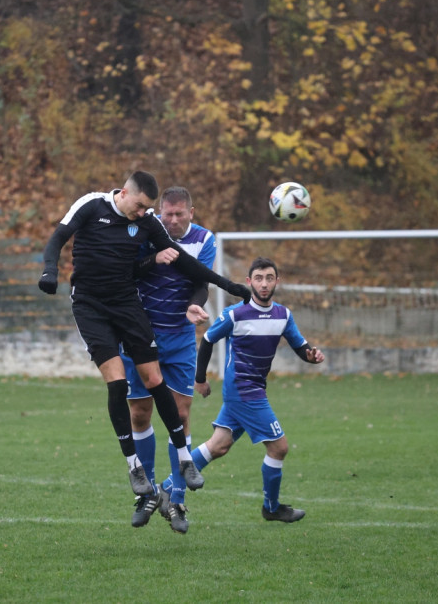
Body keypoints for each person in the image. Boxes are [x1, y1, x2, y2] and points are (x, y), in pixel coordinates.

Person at [37, 171, 250, 502]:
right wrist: (49, 270)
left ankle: (183, 457)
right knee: (118, 383)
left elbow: (185, 265)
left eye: (148, 209)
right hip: (90, 308)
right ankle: (134, 466)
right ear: (124, 193)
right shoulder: (91, 205)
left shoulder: (148, 222)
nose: (143, 214)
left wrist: (230, 286)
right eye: (139, 207)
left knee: (154, 379)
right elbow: (57, 239)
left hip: (126, 304)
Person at [185, 257, 325, 525]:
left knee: (219, 445)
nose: (264, 284)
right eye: (258, 278)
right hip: (243, 391)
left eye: (269, 278)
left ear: (276, 282)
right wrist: (200, 379)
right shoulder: (235, 314)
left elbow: (300, 347)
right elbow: (208, 340)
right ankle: (271, 507)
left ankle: (166, 488)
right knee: (279, 448)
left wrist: (312, 355)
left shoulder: (283, 315)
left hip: (253, 389)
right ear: (249, 282)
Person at [119, 186, 215, 533]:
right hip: (140, 336)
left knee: (181, 414)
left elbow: (201, 281)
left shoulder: (205, 239)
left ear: (192, 211)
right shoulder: (145, 230)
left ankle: (174, 497)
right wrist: (152, 259)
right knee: (139, 412)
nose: (172, 221)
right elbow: (126, 271)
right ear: (159, 211)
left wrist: (195, 302)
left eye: (179, 214)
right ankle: (146, 492)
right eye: (167, 214)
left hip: (179, 338)